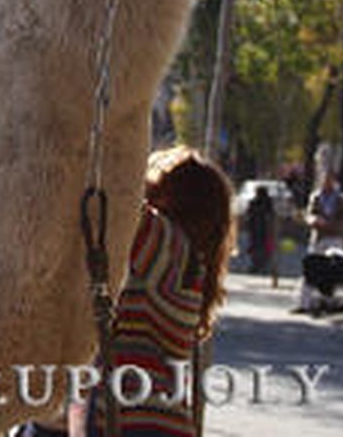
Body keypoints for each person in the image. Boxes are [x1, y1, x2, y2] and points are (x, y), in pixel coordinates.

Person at [20, 147, 234, 437]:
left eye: (152, 181)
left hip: (132, 424)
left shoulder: (166, 247)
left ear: (169, 195)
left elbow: (115, 199)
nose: (143, 187)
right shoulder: (182, 265)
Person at [298, 168, 343, 312]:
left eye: (329, 179)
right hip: (318, 238)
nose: (326, 183)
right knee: (310, 268)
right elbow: (309, 215)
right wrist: (314, 221)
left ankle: (327, 301)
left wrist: (331, 225)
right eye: (324, 180)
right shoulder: (316, 197)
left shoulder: (342, 200)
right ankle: (304, 303)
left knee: (329, 271)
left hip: (334, 239)